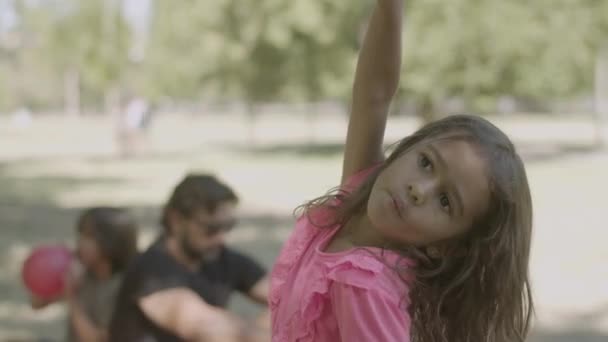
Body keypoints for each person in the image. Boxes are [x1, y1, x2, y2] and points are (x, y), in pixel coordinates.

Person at [269, 1, 534, 342]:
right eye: (426, 162)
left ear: (446, 246)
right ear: (406, 149)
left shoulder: (366, 288)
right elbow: (373, 95)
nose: (418, 190)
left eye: (445, 201)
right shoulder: (358, 201)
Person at [109, 174, 269, 342]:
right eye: (211, 228)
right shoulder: (149, 270)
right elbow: (207, 327)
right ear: (176, 220)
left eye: (228, 226)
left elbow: (286, 295)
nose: (220, 238)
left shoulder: (221, 257)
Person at [30, 207, 139, 342]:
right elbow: (36, 304)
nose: (79, 242)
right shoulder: (83, 273)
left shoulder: (121, 288)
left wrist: (71, 296)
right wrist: (54, 274)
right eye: (80, 235)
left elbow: (95, 339)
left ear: (110, 245)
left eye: (88, 237)